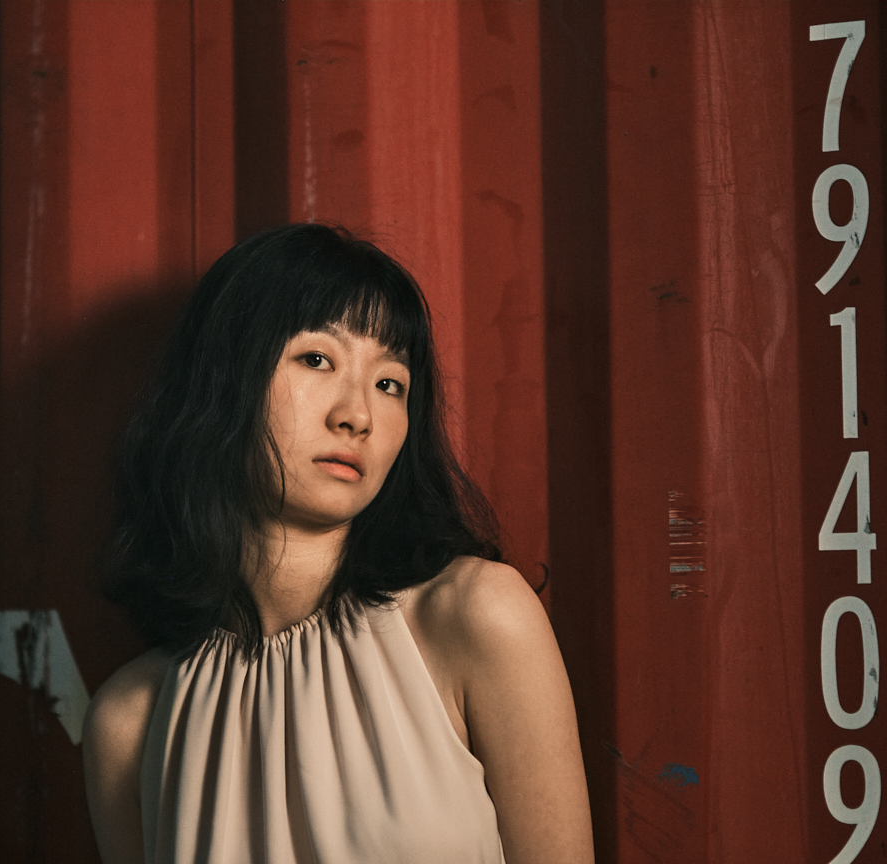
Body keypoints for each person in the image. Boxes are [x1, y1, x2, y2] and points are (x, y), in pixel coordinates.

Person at [82, 224, 593, 864]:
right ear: (224, 380)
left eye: (390, 384)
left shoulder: (474, 615)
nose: (358, 415)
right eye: (317, 359)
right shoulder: (128, 722)